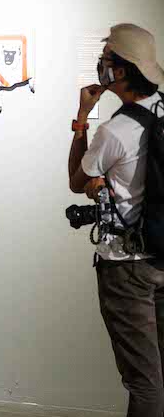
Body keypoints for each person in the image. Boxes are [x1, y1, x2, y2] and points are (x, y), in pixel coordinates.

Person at [68, 24, 164, 417]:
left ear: (120, 72)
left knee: (144, 383)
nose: (101, 65)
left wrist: (81, 117)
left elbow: (76, 181)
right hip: (162, 255)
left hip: (127, 268)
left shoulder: (114, 130)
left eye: (106, 59)